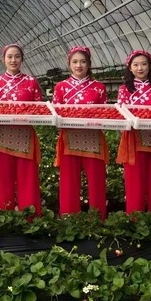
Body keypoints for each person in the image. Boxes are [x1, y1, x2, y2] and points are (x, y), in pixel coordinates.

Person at [0, 44, 43, 216]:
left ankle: (30, 216)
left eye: (17, 56)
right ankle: (3, 217)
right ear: (3, 59)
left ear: (22, 59)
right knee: (2, 180)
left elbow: (39, 108)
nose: (13, 60)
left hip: (25, 137)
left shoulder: (31, 82)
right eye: (9, 57)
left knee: (28, 180)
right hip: (2, 137)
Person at [53, 47, 108, 220]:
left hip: (93, 139)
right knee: (69, 181)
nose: (79, 65)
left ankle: (97, 218)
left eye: (83, 62)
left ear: (89, 64)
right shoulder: (61, 87)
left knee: (97, 181)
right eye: (75, 62)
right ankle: (69, 218)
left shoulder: (99, 87)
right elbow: (55, 113)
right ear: (69, 64)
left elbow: (104, 113)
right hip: (69, 138)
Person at [116, 50, 151, 214]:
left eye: (144, 64)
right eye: (136, 65)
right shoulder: (124, 90)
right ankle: (135, 217)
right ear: (130, 68)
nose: (140, 68)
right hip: (134, 139)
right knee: (135, 180)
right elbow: (122, 115)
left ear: (150, 66)